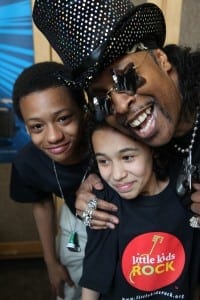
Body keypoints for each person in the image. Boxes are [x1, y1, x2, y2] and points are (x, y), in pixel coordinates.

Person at [32, 0, 200, 228]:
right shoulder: (113, 127)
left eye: (125, 79)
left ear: (161, 59)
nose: (120, 106)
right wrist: (92, 196)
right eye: (102, 96)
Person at [80, 120, 200, 299]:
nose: (117, 174)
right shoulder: (104, 204)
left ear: (152, 150)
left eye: (127, 157)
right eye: (104, 161)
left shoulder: (187, 191)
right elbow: (93, 278)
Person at [10, 61, 89, 300]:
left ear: (83, 111)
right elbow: (42, 205)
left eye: (64, 118)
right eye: (37, 126)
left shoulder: (110, 141)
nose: (53, 136)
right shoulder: (27, 162)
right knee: (70, 288)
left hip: (126, 219)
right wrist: (50, 262)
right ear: (26, 127)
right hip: (76, 221)